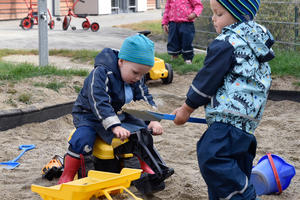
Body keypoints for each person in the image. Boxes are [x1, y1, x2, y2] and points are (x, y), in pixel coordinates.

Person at [172, 0, 275, 199]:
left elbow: (207, 79)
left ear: (240, 15)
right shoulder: (256, 42)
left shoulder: (227, 42)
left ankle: (245, 195)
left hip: (228, 117)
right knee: (236, 165)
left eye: (219, 14)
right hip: (248, 123)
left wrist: (186, 109)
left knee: (212, 156)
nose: (213, 19)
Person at [58, 34, 163, 184]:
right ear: (121, 61)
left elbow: (143, 98)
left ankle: (145, 167)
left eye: (143, 74)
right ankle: (67, 175)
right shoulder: (101, 73)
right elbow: (98, 101)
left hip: (118, 114)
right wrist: (114, 126)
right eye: (135, 72)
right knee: (83, 138)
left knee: (142, 133)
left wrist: (152, 120)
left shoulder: (135, 77)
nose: (139, 77)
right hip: (89, 115)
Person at [162, 0, 203, 64]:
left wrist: (194, 14)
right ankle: (174, 56)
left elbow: (198, 5)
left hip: (186, 23)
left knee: (187, 41)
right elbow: (167, 9)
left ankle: (188, 58)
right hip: (173, 23)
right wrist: (164, 23)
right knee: (173, 40)